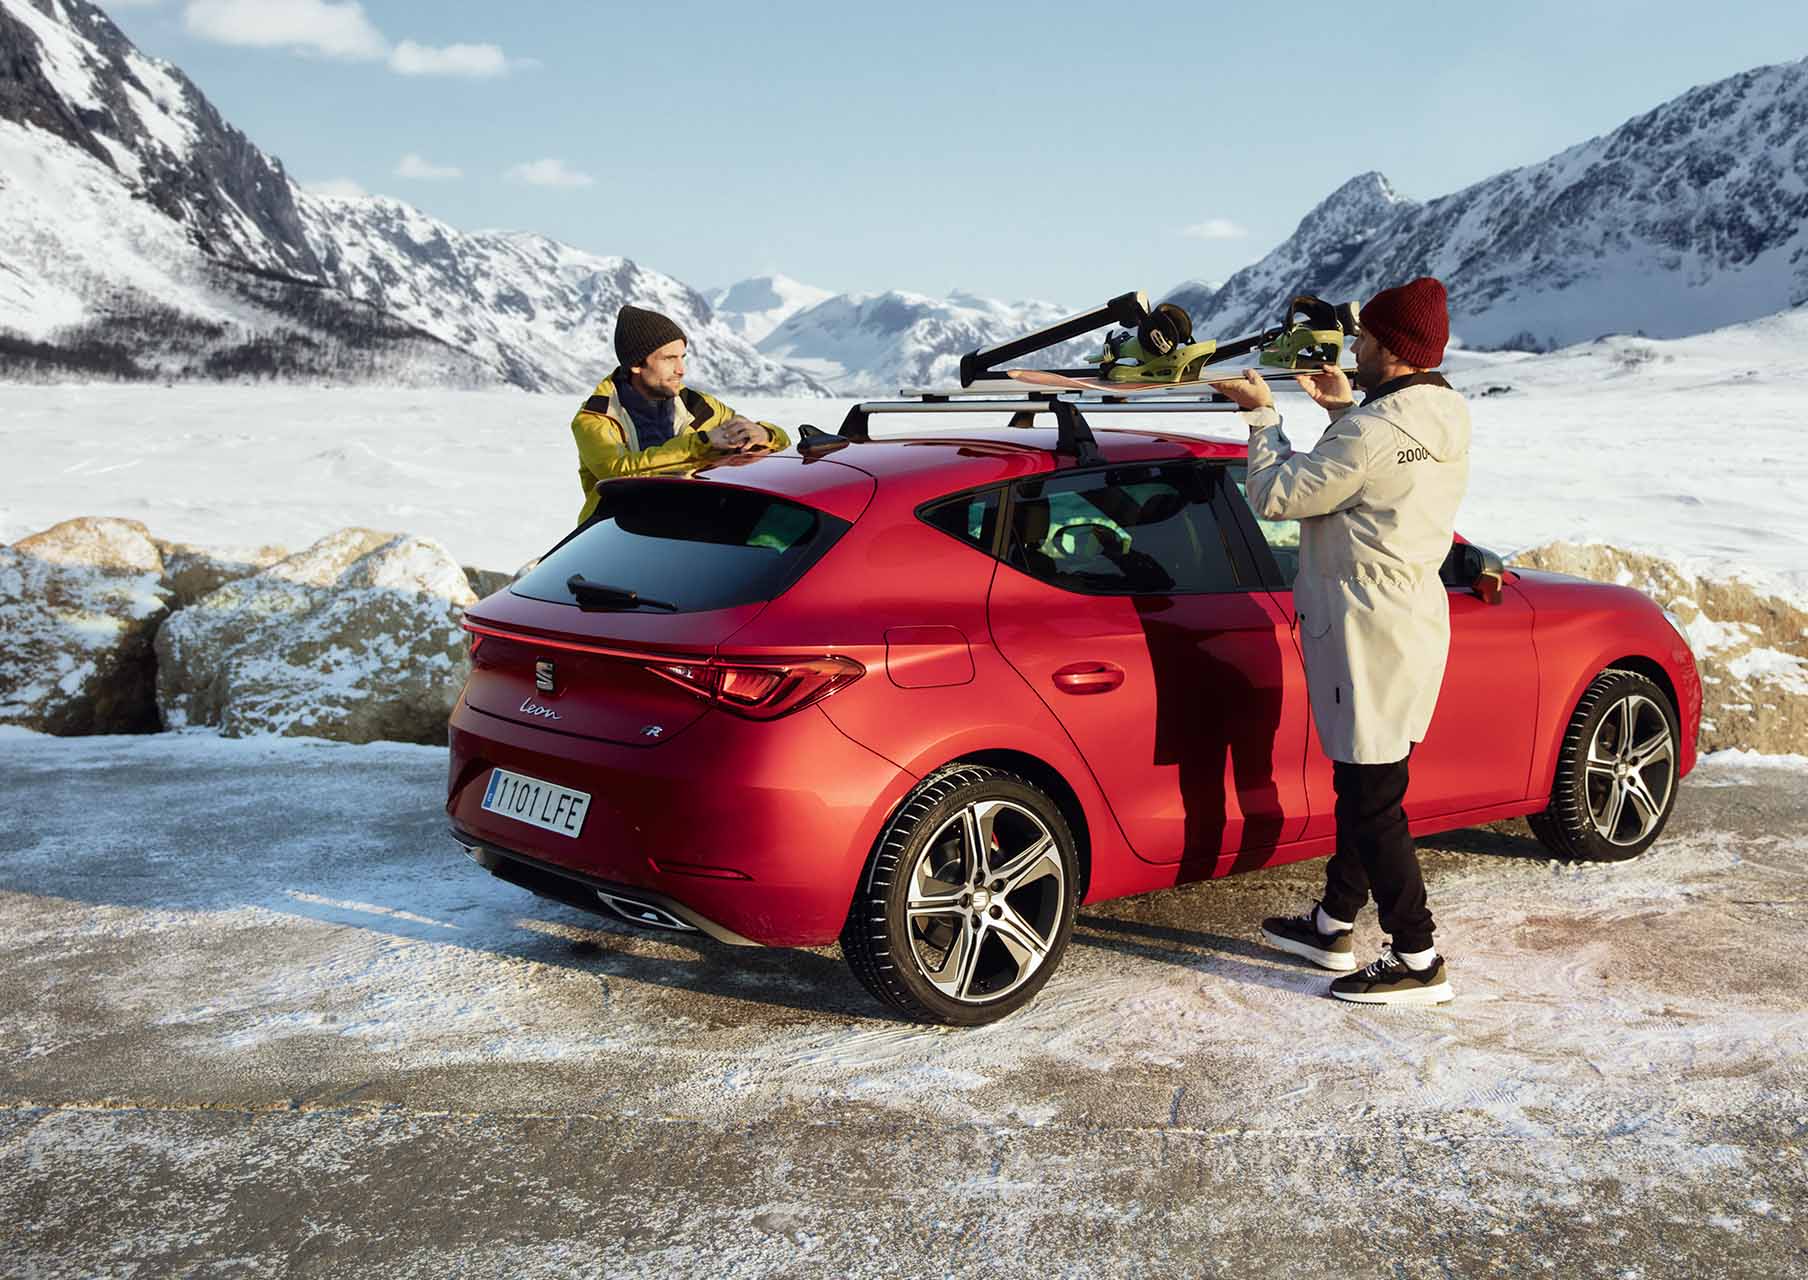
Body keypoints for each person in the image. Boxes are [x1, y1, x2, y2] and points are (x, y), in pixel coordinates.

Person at [1209, 277, 1471, 1006]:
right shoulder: (1442, 412)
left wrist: (1264, 421)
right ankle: (1331, 923)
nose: (1351, 348)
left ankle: (1417, 958)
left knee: (1371, 796)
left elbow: (1277, 496)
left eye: (1363, 339)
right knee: (1369, 781)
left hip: (1365, 626)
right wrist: (1343, 409)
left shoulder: (1373, 431)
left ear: (1389, 346)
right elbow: (1381, 462)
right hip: (1409, 619)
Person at [568, 305, 791, 524]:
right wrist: (700, 444)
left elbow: (778, 448)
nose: (681, 369)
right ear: (636, 364)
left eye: (682, 357)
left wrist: (765, 434)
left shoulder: (699, 406)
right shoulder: (596, 417)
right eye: (669, 358)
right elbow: (616, 472)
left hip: (684, 535)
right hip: (615, 537)